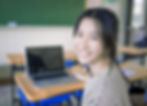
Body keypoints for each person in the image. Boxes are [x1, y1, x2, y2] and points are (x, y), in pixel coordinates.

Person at [72, 8, 132, 106]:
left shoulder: (101, 97)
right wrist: (86, 77)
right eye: (80, 34)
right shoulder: (109, 67)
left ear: (109, 43)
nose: (83, 45)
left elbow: (102, 91)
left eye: (94, 37)